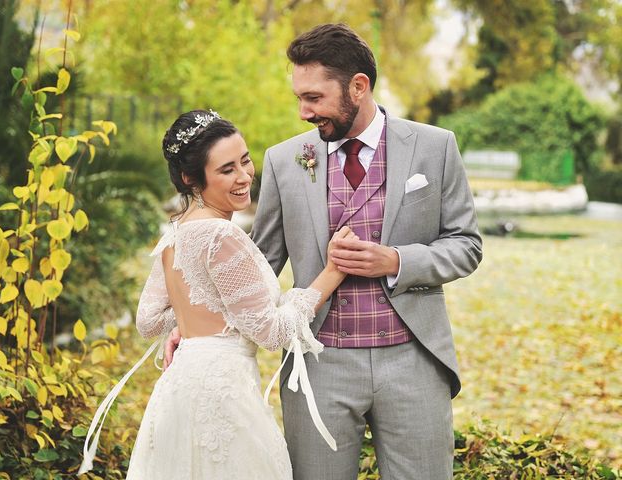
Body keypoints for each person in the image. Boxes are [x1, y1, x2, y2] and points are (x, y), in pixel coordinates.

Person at [166, 23, 482, 479]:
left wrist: (396, 261)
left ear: (358, 86)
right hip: (316, 365)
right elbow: (257, 263)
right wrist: (195, 323)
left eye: (313, 98)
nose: (303, 112)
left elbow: (466, 245)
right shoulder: (284, 160)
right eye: (299, 97)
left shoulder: (434, 147)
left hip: (414, 361)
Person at [79, 109, 356, 478]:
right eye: (227, 170)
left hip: (181, 386)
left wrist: (195, 325)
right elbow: (272, 332)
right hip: (223, 394)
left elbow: (149, 320)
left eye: (245, 161)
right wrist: (332, 272)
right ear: (191, 178)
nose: (244, 177)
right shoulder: (221, 236)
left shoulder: (175, 234)